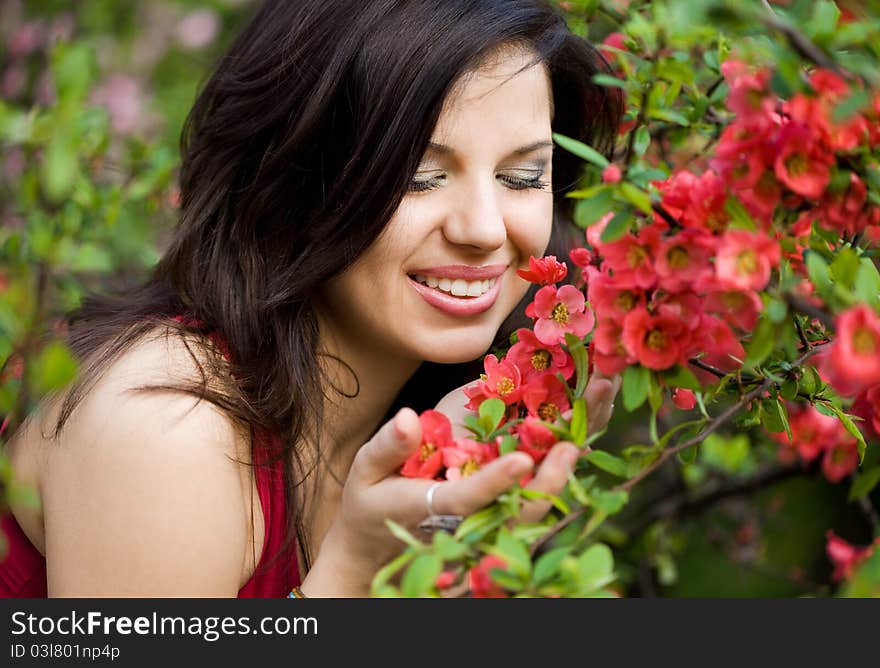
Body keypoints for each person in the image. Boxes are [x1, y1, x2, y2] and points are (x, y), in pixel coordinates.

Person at [1, 0, 622, 598]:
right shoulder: (165, 432)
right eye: (419, 177)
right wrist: (355, 576)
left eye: (521, 178)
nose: (484, 229)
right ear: (292, 175)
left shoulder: (441, 421)